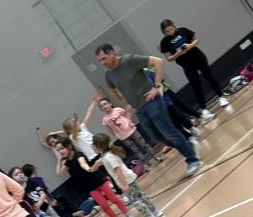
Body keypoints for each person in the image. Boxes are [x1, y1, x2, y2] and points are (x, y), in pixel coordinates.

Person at [96, 43, 202, 176]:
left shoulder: (129, 60)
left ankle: (193, 161)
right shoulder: (108, 75)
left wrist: (157, 86)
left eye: (104, 58)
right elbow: (114, 91)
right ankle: (189, 145)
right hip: (139, 110)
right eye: (99, 60)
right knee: (158, 137)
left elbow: (158, 62)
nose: (102, 62)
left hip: (153, 102)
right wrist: (127, 104)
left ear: (112, 53)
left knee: (169, 132)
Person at [57, 138, 134, 217]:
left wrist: (87, 168)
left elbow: (82, 163)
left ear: (69, 146)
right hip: (89, 186)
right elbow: (59, 172)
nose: (60, 151)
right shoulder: (67, 162)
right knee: (103, 205)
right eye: (58, 150)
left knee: (113, 198)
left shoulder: (78, 155)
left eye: (62, 148)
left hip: (98, 180)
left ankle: (127, 214)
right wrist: (59, 160)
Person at [91, 133, 163, 217]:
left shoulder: (108, 158)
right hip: (129, 178)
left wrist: (124, 185)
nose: (92, 147)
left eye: (93, 145)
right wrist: (94, 166)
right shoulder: (107, 155)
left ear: (98, 146)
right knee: (141, 196)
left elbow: (118, 171)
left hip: (125, 181)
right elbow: (100, 161)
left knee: (135, 201)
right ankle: (155, 212)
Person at [159, 20, 229, 119]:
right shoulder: (164, 42)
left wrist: (189, 46)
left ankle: (221, 96)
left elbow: (196, 40)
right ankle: (204, 109)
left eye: (171, 29)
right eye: (167, 31)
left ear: (174, 27)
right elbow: (169, 58)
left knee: (209, 77)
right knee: (195, 85)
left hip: (198, 57)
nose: (170, 32)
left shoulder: (183, 30)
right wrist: (177, 54)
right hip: (186, 64)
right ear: (164, 32)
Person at [97, 96, 160, 166]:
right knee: (136, 150)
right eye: (102, 106)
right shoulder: (105, 119)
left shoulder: (118, 110)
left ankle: (155, 156)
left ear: (110, 104)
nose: (104, 106)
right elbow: (109, 130)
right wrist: (118, 135)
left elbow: (127, 114)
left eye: (105, 104)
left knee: (143, 145)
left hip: (132, 131)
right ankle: (147, 164)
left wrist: (129, 122)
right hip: (124, 137)